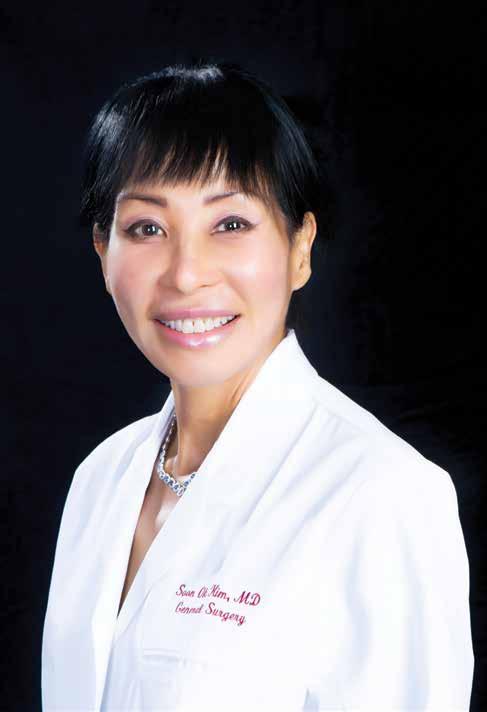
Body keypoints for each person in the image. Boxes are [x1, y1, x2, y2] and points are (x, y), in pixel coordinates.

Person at [41, 60, 474, 711]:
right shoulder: (99, 478)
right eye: (147, 228)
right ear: (104, 253)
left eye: (230, 224)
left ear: (300, 248)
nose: (186, 274)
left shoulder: (381, 494)